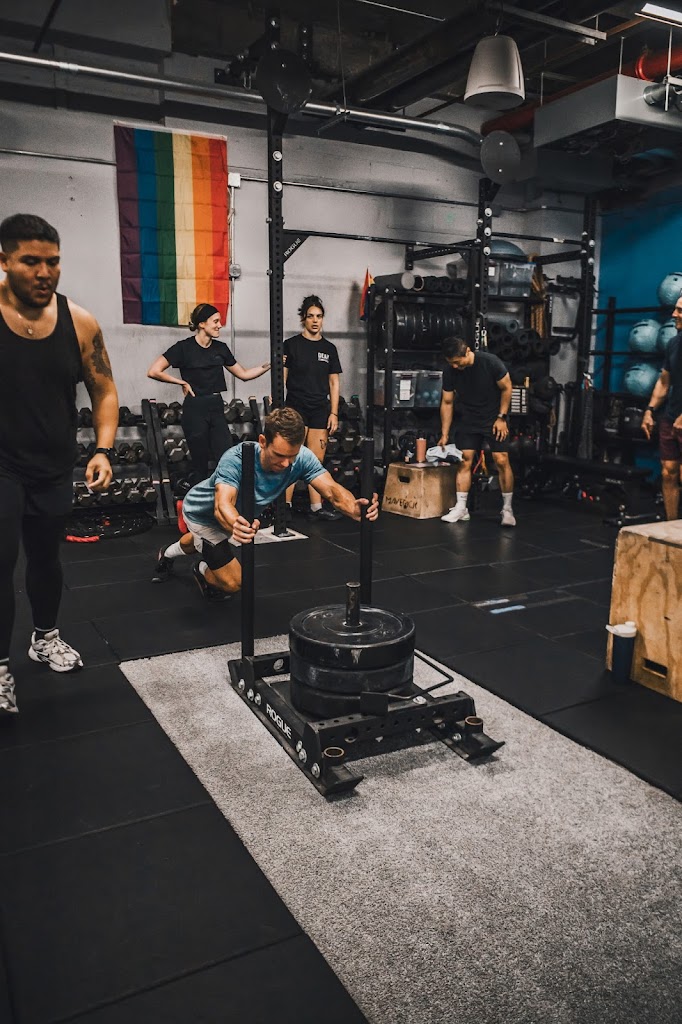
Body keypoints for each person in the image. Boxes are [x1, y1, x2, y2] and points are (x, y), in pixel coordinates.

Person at [0, 213, 119, 716]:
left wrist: (103, 449)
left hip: (52, 466)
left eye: (52, 262)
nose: (44, 272)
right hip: (2, 466)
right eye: (31, 261)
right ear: (4, 260)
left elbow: (104, 389)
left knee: (46, 559)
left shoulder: (80, 322)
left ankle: (44, 637)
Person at [153, 407, 379, 598]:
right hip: (203, 514)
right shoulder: (237, 458)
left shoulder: (300, 458)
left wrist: (353, 507)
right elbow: (222, 504)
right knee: (233, 583)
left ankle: (167, 554)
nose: (286, 463)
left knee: (200, 541)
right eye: (279, 455)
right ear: (262, 441)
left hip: (233, 520)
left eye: (292, 456)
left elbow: (331, 490)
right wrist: (237, 525)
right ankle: (202, 568)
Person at [147, 303, 270, 482]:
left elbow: (244, 374)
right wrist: (181, 382)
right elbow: (154, 371)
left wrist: (270, 364)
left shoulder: (221, 348)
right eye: (216, 321)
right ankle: (201, 498)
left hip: (216, 407)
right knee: (200, 465)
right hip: (194, 409)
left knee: (227, 459)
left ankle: (225, 496)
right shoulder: (183, 348)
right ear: (202, 324)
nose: (220, 325)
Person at [437, 335, 515, 527]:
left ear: (468, 352)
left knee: (501, 460)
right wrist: (444, 434)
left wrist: (502, 417)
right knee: (465, 460)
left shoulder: (490, 362)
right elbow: (447, 402)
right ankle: (461, 508)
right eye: (451, 363)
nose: (455, 366)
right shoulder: (450, 371)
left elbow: (507, 388)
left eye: (457, 362)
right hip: (469, 418)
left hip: (494, 418)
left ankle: (507, 509)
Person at [283, 295, 342, 521]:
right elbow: (282, 376)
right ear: (303, 319)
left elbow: (334, 383)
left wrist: (334, 413)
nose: (315, 321)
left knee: (315, 462)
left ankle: (317, 507)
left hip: (319, 409)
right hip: (295, 407)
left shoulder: (329, 349)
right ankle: (285, 506)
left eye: (319, 316)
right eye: (311, 316)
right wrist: (279, 406)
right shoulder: (291, 345)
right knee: (291, 458)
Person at [641, 297, 682, 520]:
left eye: (680, 310)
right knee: (668, 472)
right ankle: (671, 525)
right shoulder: (674, 343)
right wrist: (650, 410)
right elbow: (664, 382)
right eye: (675, 309)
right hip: (671, 416)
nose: (674, 315)